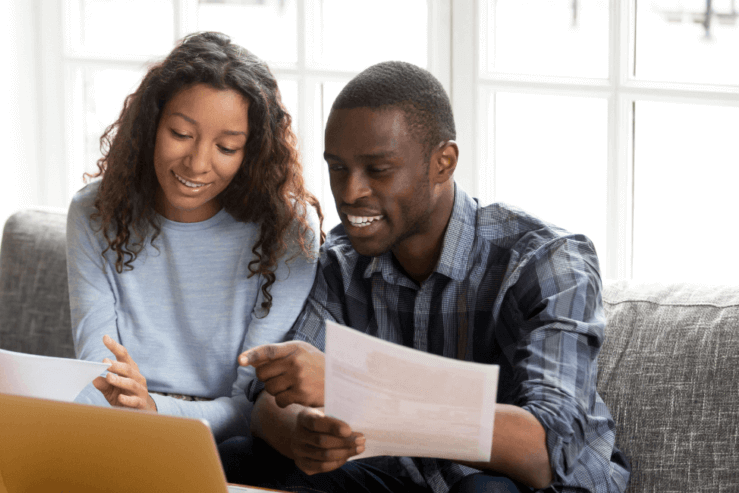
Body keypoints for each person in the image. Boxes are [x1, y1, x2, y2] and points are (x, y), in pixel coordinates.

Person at [219, 61, 631, 492]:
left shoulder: (547, 261)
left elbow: (544, 450)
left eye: (377, 170)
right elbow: (269, 404)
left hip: (524, 483)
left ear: (443, 163)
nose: (349, 192)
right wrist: (301, 431)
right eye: (338, 167)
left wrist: (357, 389)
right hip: (406, 480)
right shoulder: (342, 261)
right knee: (240, 456)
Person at [66, 32, 322, 443]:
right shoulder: (95, 212)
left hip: (221, 441)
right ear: (151, 126)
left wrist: (153, 409)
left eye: (226, 146)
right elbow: (96, 374)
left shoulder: (288, 229)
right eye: (181, 135)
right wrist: (128, 406)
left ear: (251, 151)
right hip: (114, 427)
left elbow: (250, 407)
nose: (198, 163)